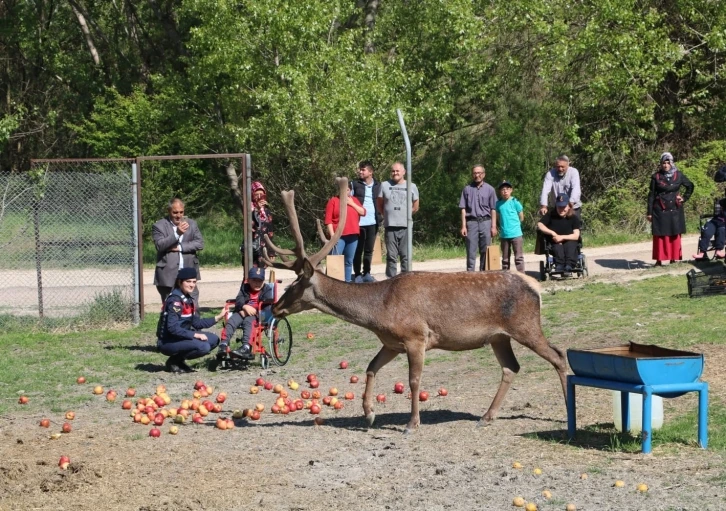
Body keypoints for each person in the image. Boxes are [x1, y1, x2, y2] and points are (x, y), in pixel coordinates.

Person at [156, 268, 225, 373]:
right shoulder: (175, 301)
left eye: (194, 282)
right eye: (188, 281)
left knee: (214, 340)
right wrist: (195, 335)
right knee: (204, 346)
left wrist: (218, 317)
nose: (192, 285)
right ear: (180, 282)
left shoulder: (187, 299)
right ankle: (174, 361)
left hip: (181, 337)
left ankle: (178, 361)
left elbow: (196, 323)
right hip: (168, 341)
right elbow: (172, 328)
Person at [152, 198, 204, 308]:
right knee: (170, 308)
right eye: (175, 212)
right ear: (168, 211)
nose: (178, 215)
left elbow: (199, 243)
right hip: (168, 273)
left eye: (181, 212)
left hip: (188, 271)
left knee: (193, 306)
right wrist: (177, 233)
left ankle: (193, 324)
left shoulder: (191, 224)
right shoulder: (159, 226)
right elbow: (160, 245)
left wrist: (180, 247)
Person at [647, 152, 694, 266]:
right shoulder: (656, 177)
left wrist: (684, 198)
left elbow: (690, 186)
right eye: (664, 162)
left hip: (674, 208)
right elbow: (651, 195)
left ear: (671, 163)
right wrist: (649, 212)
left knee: (674, 233)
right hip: (659, 209)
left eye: (668, 162)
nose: (666, 165)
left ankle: (673, 258)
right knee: (660, 235)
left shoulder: (678, 175)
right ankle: (659, 260)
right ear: (661, 163)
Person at [217, 266, 274, 360]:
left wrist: (253, 311)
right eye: (254, 280)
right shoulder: (245, 287)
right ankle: (223, 344)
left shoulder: (266, 289)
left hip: (257, 316)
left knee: (249, 322)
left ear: (263, 281)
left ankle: (246, 347)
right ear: (249, 281)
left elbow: (267, 305)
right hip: (242, 311)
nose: (257, 283)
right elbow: (239, 299)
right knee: (231, 321)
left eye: (260, 281)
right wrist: (244, 307)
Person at [377, 162, 419, 278]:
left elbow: (415, 206)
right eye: (393, 171)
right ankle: (390, 280)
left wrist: (406, 215)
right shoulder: (384, 185)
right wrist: (386, 214)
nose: (395, 173)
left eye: (397, 171)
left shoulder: (412, 186)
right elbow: (379, 204)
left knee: (406, 256)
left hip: (405, 226)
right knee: (391, 256)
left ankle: (406, 280)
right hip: (390, 226)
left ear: (404, 172)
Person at [324, 181, 366, 283]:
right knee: (334, 260)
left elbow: (363, 212)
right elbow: (328, 220)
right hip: (339, 236)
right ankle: (331, 283)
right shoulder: (333, 201)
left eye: (347, 189)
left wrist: (351, 203)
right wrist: (333, 236)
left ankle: (347, 282)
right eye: (342, 189)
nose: (344, 192)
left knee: (348, 261)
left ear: (350, 190)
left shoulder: (354, 200)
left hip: (353, 236)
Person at [459, 164, 498, 271]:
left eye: (479, 173)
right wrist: (463, 226)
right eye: (475, 173)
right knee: (471, 252)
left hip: (486, 222)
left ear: (483, 174)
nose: (477, 175)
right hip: (471, 223)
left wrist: (493, 226)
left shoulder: (490, 189)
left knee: (485, 251)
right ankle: (470, 276)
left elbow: (493, 209)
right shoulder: (466, 189)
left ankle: (483, 276)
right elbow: (463, 209)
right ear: (472, 175)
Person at [352, 160, 382, 283]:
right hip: (358, 223)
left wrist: (382, 217)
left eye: (363, 169)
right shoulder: (354, 184)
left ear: (370, 172)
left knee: (369, 250)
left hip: (373, 222)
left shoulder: (379, 185)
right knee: (358, 250)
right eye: (360, 169)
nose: (360, 171)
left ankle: (367, 273)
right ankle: (358, 274)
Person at [537, 193, 581, 276]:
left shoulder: (573, 218)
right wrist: (552, 233)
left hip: (570, 240)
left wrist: (562, 237)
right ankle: (559, 265)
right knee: (558, 246)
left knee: (570, 245)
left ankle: (569, 265)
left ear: (568, 206)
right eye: (559, 207)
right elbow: (540, 225)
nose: (561, 209)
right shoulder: (550, 215)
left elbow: (576, 236)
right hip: (555, 241)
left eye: (564, 207)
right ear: (556, 206)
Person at [243, 181, 274, 268]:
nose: (259, 197)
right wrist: (256, 209)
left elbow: (270, 232)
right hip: (251, 248)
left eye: (262, 194)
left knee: (261, 276)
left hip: (263, 249)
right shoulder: (248, 209)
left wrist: (271, 252)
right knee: (250, 275)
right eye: (257, 194)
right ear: (252, 195)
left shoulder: (267, 212)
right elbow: (249, 224)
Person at [495, 180, 525, 272]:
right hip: (504, 235)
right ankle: (505, 275)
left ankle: (521, 276)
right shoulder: (498, 204)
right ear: (500, 192)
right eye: (503, 189)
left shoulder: (515, 202)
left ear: (511, 190)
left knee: (518, 257)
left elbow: (521, 217)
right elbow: (498, 218)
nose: (505, 191)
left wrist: (516, 226)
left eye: (507, 189)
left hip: (516, 234)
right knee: (505, 258)